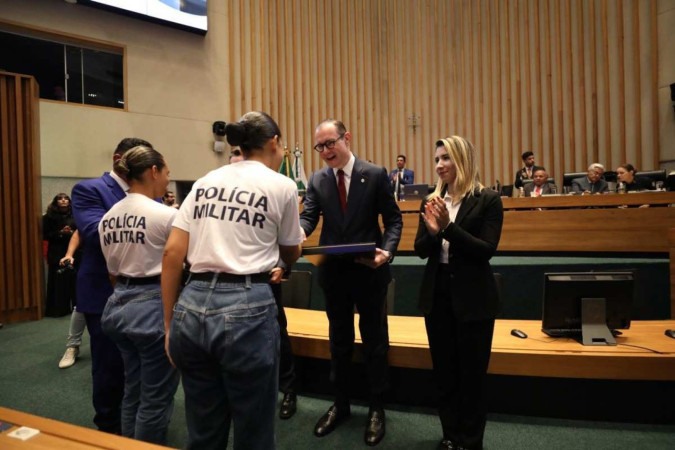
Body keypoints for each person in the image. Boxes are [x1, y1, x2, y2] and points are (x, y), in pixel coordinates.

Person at [162, 111, 303, 450]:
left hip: (191, 304)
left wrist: (169, 327)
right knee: (253, 432)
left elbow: (171, 253)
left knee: (204, 430)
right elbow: (292, 251)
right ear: (274, 143)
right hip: (247, 307)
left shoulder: (205, 181)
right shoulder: (282, 185)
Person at [300, 119, 402, 447]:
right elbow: (309, 217)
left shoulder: (374, 174)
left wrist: (387, 252)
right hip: (334, 274)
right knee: (339, 342)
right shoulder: (317, 180)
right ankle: (341, 404)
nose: (325, 151)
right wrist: (297, 233)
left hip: (369, 272)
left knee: (375, 342)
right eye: (320, 147)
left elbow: (394, 219)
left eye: (330, 143)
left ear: (347, 138)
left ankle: (376, 407)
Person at [414, 135, 503, 450]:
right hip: (437, 295)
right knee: (445, 374)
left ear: (462, 160)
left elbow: (486, 250)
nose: (439, 165)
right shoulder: (431, 201)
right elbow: (420, 249)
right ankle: (450, 436)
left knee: (472, 377)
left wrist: (448, 228)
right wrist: (435, 233)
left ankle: (471, 441)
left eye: (446, 158)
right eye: (437, 159)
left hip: (474, 298)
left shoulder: (488, 199)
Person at [71, 137, 153, 434]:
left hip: (147, 294)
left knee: (144, 368)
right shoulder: (89, 189)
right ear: (119, 157)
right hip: (103, 293)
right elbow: (93, 233)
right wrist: (142, 219)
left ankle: (140, 426)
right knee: (109, 368)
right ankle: (109, 429)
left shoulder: (149, 192)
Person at [98, 145, 179, 445]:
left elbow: (113, 273)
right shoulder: (166, 215)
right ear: (153, 171)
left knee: (133, 387)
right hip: (153, 307)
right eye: (167, 174)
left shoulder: (109, 217)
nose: (168, 181)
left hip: (118, 305)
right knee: (156, 398)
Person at [231, 139, 300, 420]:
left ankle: (289, 389)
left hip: (265, 282)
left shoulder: (273, 189)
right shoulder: (223, 193)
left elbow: (285, 241)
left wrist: (283, 265)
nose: (236, 159)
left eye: (239, 153)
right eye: (233, 154)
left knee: (278, 336)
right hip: (230, 286)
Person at [42, 193, 77, 317]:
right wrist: (60, 233)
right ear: (56, 202)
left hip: (74, 251)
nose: (63, 200)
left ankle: (76, 308)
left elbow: (80, 232)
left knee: (74, 280)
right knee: (57, 281)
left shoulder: (76, 215)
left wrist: (71, 233)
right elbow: (45, 235)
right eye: (60, 198)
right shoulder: (48, 217)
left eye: (66, 198)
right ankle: (58, 310)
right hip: (56, 250)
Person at [58, 230, 87, 369]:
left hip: (121, 261)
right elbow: (79, 233)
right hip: (93, 262)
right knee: (82, 304)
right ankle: (72, 346)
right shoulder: (94, 211)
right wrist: (69, 254)